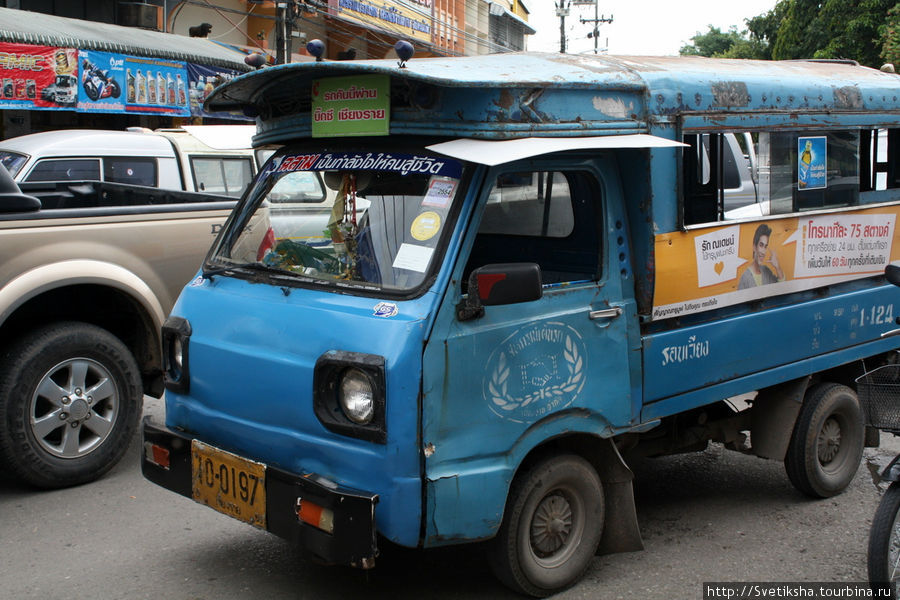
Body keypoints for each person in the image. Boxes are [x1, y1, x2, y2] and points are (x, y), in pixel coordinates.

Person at [738, 223, 784, 289]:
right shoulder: (745, 278)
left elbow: (782, 288)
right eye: (761, 245)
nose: (763, 252)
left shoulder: (766, 271)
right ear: (754, 247)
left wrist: (777, 267)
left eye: (765, 246)